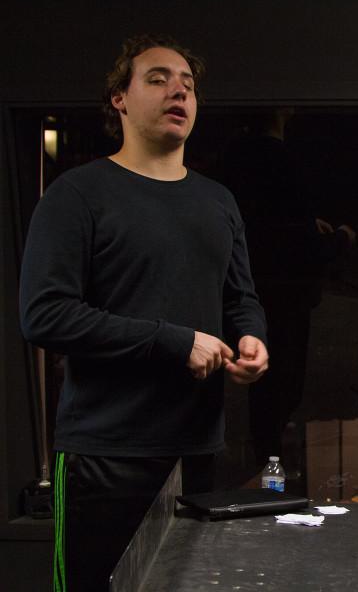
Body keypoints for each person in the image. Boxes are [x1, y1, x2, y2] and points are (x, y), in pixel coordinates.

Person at [18, 35, 269, 592]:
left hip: (199, 451)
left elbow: (241, 299)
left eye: (188, 84)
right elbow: (45, 315)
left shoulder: (217, 201)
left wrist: (253, 338)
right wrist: (176, 341)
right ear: (119, 99)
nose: (179, 89)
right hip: (105, 457)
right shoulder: (77, 195)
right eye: (157, 78)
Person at [221, 108, 356, 471]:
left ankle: (265, 459)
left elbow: (265, 222)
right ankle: (271, 463)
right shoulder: (282, 160)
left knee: (268, 382)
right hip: (285, 287)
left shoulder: (236, 157)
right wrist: (339, 241)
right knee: (281, 381)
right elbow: (295, 242)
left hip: (255, 279)